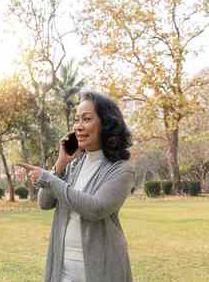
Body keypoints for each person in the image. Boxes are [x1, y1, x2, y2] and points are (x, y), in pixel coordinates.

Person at [21, 91, 135, 282]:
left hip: (101, 269)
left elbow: (95, 208)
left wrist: (48, 178)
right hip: (63, 268)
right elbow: (44, 202)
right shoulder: (73, 165)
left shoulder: (121, 170)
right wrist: (60, 163)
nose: (78, 127)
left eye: (86, 119)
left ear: (106, 124)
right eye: (76, 120)